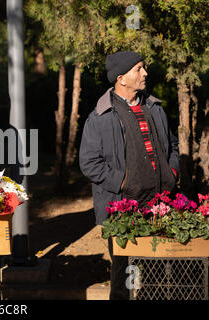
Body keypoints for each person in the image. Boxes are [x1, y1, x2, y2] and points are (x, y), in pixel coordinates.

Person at [79, 51, 179, 300]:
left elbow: (172, 145)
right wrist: (124, 182)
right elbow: (89, 164)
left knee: (160, 266)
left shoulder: (154, 108)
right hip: (123, 206)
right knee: (125, 269)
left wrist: (172, 172)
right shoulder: (100, 118)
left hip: (160, 202)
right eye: (138, 69)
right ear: (121, 78)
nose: (145, 73)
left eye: (143, 68)